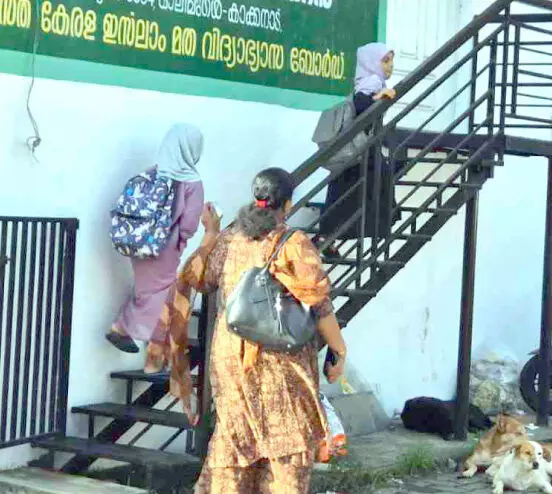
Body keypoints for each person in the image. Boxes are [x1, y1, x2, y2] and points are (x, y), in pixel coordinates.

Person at [174, 168, 346, 493]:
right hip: (279, 363)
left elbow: (199, 278)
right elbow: (319, 303)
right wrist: (339, 349)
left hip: (230, 359)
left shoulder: (230, 238)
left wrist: (210, 233)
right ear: (288, 204)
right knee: (287, 447)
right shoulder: (294, 243)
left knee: (235, 439)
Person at [106, 123, 205, 375]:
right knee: (164, 300)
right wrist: (180, 243)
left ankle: (125, 331)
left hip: (139, 242)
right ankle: (148, 355)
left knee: (148, 293)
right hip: (164, 248)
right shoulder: (192, 182)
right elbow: (189, 224)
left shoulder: (152, 174)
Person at [317, 42, 400, 251]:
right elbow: (362, 105)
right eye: (385, 61)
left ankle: (327, 237)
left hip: (359, 149)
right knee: (371, 186)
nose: (390, 66)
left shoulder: (366, 80)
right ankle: (331, 236)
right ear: (371, 62)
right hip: (363, 149)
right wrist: (379, 97)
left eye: (391, 61)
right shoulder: (373, 81)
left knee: (344, 191)